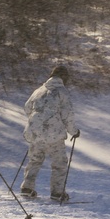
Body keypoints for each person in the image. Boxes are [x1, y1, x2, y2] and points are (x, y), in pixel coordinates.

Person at [20, 64, 80, 202]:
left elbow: (27, 107)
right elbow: (67, 115)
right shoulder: (62, 93)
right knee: (59, 163)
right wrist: (74, 132)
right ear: (64, 78)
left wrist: (37, 121)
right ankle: (57, 192)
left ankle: (27, 188)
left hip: (35, 133)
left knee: (34, 160)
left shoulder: (39, 90)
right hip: (54, 134)